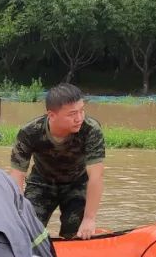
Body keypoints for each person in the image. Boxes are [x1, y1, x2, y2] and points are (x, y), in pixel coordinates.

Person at [10, 83, 105, 239]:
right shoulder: (30, 132)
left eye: (82, 110)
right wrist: (18, 213)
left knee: (75, 233)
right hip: (41, 182)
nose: (79, 118)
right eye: (72, 114)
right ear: (52, 115)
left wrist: (89, 219)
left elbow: (96, 175)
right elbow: (17, 175)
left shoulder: (90, 129)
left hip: (77, 183)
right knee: (28, 231)